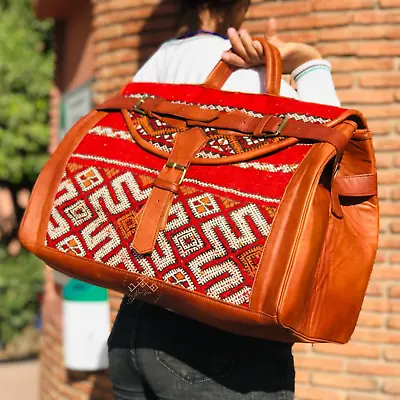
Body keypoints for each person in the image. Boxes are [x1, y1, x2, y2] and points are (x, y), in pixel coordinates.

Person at [108, 1, 341, 399]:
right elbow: (333, 154)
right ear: (241, 6)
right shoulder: (246, 71)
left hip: (135, 321)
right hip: (217, 337)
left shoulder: (156, 65)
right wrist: (306, 61)